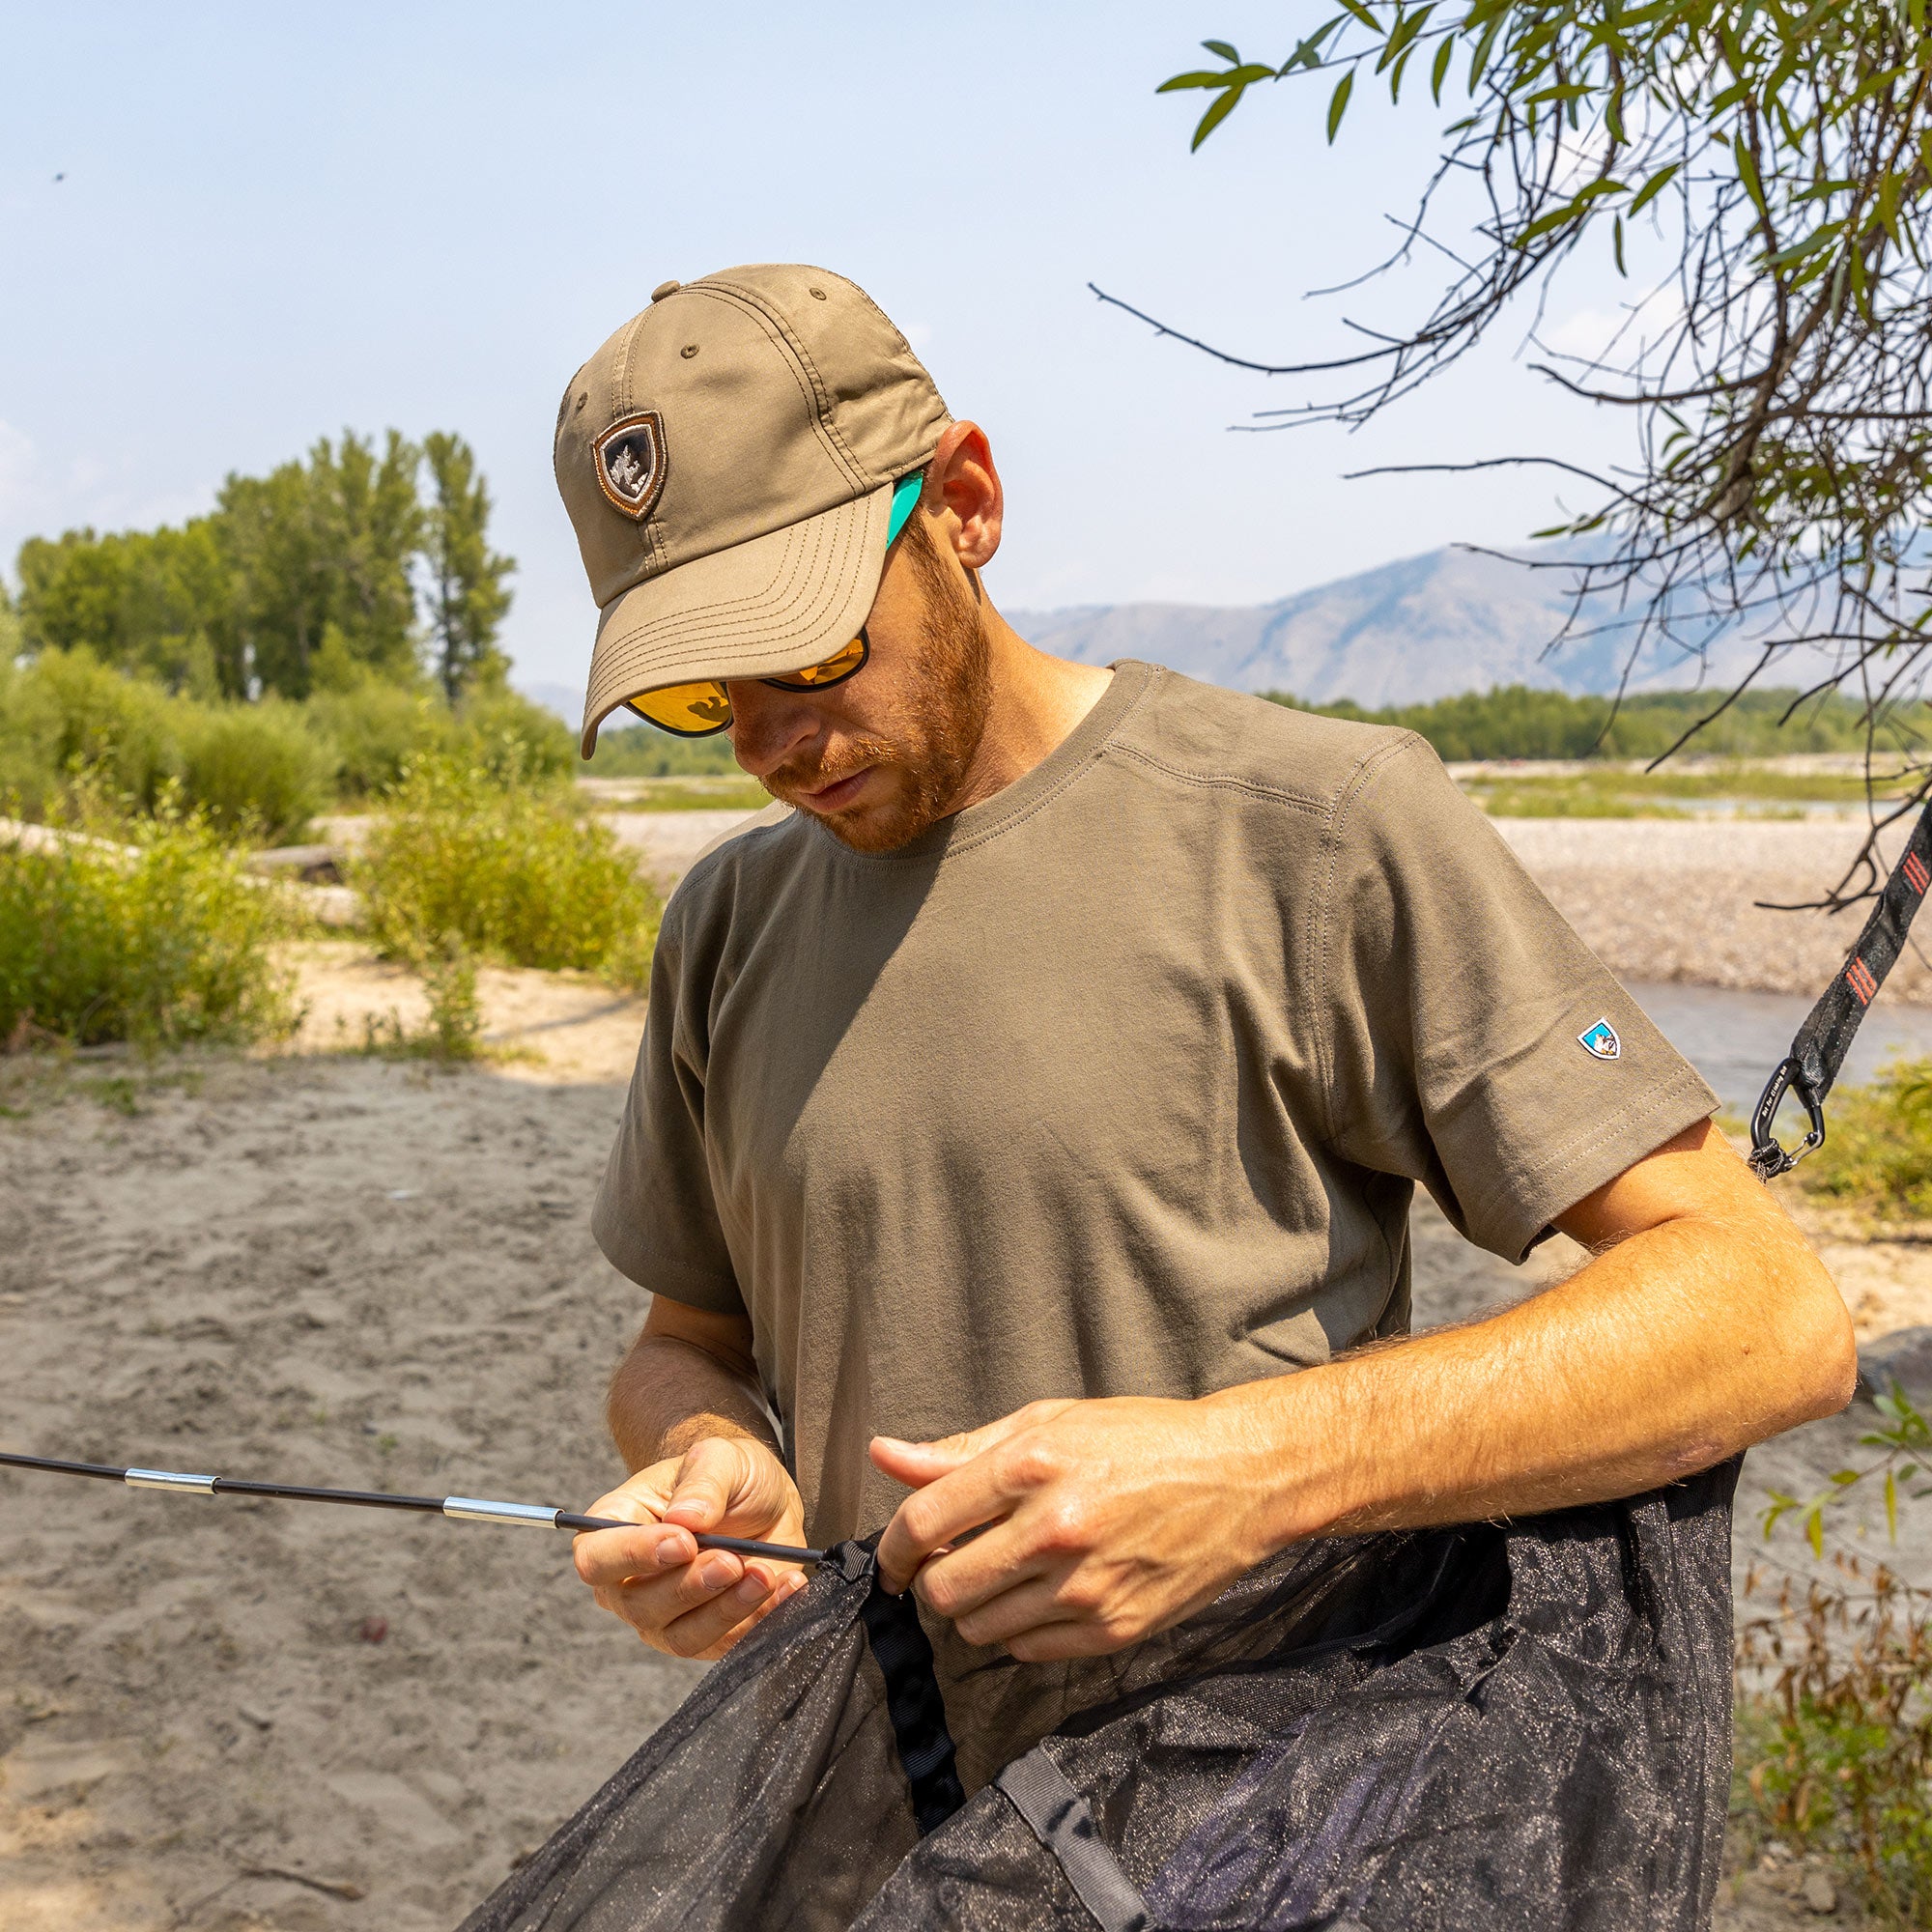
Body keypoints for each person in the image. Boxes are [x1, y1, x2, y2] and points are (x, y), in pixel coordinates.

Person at [556, 264, 1854, 1781]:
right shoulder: (725, 924)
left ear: (964, 504)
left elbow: (1764, 1313)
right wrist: (714, 1460)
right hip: (871, 1805)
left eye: (810, 646)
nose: (772, 740)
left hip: (1269, 1823)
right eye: (701, 695)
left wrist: (1250, 1471)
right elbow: (679, 1344)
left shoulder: (1319, 827)